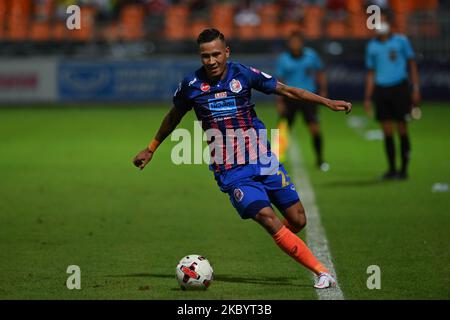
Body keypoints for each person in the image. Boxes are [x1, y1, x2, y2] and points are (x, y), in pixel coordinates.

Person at [133, 29, 352, 288]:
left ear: (227, 52)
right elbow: (173, 116)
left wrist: (326, 102)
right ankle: (321, 272)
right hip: (232, 170)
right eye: (205, 56)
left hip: (263, 159)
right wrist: (152, 147)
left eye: (216, 54)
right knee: (267, 217)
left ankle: (283, 238)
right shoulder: (191, 85)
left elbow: (287, 91)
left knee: (298, 220)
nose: (211, 61)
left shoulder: (244, 74)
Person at [364, 20, 421, 180]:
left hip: (399, 88)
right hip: (381, 90)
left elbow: (412, 64)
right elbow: (371, 73)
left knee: (402, 129)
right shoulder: (372, 46)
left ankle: (404, 169)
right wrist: (368, 97)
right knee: (387, 131)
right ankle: (391, 169)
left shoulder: (401, 41)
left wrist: (415, 88)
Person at [274, 31, 328, 170]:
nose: (295, 44)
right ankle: (275, 160)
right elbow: (280, 82)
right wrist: (279, 101)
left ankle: (320, 159)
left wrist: (322, 91)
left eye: (297, 41)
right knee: (282, 130)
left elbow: (320, 72)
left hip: (308, 97)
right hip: (289, 98)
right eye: (292, 42)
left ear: (302, 43)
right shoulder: (283, 59)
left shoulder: (311, 56)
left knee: (315, 128)